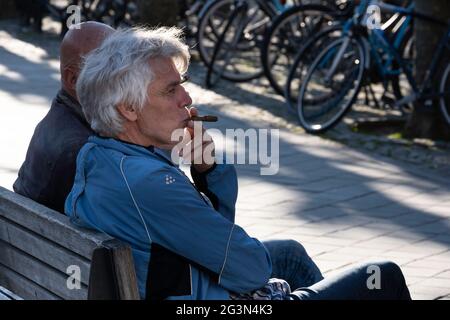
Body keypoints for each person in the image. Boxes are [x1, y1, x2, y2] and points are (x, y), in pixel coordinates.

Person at [65, 27, 411, 300]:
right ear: (128, 108)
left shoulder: (99, 156)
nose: (187, 99)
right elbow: (251, 270)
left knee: (289, 253)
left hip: (178, 285)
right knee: (382, 275)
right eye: (170, 91)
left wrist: (208, 171)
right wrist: (203, 179)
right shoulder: (151, 184)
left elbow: (217, 245)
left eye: (182, 87)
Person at [13, 22, 115, 214]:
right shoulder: (85, 150)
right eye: (110, 65)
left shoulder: (63, 117)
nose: (126, 72)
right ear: (73, 79)